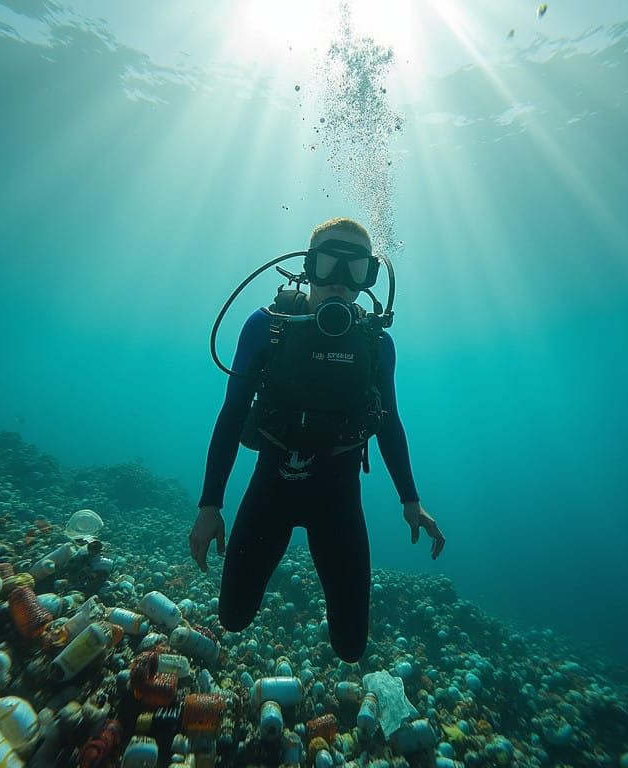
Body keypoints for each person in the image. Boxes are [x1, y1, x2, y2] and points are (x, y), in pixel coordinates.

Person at [189, 217, 445, 663]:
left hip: (338, 500)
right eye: (329, 263)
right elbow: (231, 415)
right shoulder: (267, 327)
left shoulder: (376, 344)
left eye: (356, 268)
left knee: (350, 647)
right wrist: (210, 506)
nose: (340, 281)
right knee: (232, 618)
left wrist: (411, 499)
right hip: (270, 491)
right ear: (308, 266)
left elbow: (390, 423)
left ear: (369, 277)